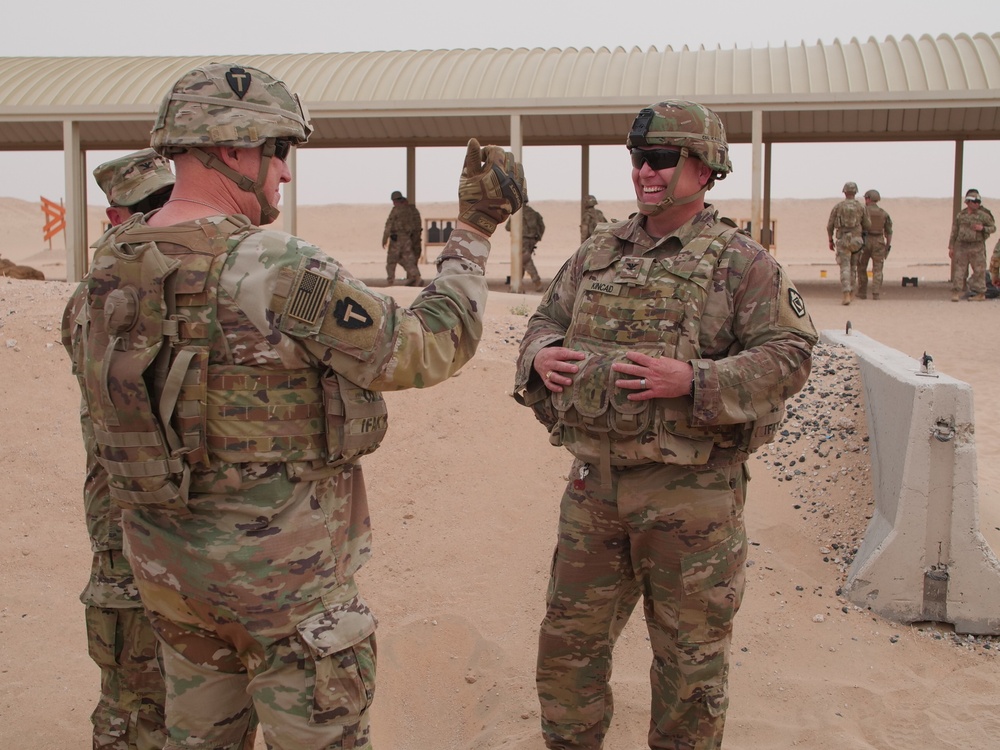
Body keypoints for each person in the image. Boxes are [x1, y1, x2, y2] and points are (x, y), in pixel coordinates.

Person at [63, 62, 526, 750]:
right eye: (279, 150)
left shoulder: (106, 269)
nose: (285, 171)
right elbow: (426, 347)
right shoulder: (272, 265)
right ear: (233, 150)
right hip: (285, 603)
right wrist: (475, 231)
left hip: (172, 588)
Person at [513, 100, 816, 750]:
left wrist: (697, 382)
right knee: (568, 649)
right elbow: (543, 320)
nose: (644, 174)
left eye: (660, 160)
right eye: (637, 159)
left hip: (693, 499)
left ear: (703, 169)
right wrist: (539, 354)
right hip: (596, 490)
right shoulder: (598, 251)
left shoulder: (741, 263)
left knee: (688, 668)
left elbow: (790, 357)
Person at [63, 149, 175, 750]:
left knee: (151, 690)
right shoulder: (110, 292)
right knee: (138, 688)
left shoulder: (95, 290)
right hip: (134, 519)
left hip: (133, 516)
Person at [826, 181, 870, 305]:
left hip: (843, 240)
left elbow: (829, 225)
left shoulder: (838, 207)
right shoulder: (861, 207)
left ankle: (846, 293)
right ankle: (851, 293)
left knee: (844, 267)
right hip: (857, 241)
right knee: (853, 267)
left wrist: (830, 240)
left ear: (845, 192)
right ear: (855, 192)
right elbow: (867, 224)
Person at [949, 188, 996, 302]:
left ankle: (980, 293)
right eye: (974, 202)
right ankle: (956, 292)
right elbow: (954, 231)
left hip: (977, 246)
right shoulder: (961, 215)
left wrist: (982, 228)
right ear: (968, 202)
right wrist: (951, 246)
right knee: (959, 270)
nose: (977, 204)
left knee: (979, 270)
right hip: (962, 246)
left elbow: (993, 228)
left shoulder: (983, 215)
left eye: (978, 202)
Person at [857, 189, 893, 300]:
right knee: (878, 269)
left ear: (868, 198)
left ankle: (862, 292)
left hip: (865, 240)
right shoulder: (883, 213)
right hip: (879, 241)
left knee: (862, 267)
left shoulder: (862, 211)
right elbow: (889, 232)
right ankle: (876, 293)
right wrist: (887, 246)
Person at [382, 189, 423, 286]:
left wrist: (384, 239)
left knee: (391, 261)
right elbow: (415, 225)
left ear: (394, 200)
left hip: (396, 239)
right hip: (407, 238)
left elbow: (389, 225)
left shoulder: (395, 210)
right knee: (408, 259)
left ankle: (390, 281)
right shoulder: (409, 210)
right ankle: (416, 276)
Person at [505, 200, 546, 290]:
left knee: (526, 260)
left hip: (521, 240)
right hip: (532, 240)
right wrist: (537, 238)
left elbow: (507, 227)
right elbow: (542, 226)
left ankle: (537, 282)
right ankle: (517, 282)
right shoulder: (534, 213)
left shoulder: (516, 214)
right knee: (522, 260)